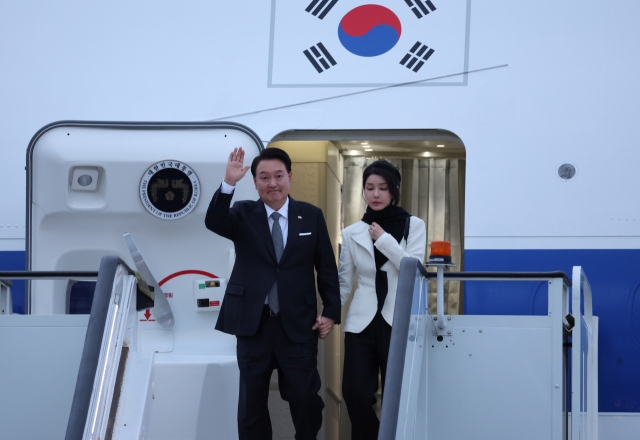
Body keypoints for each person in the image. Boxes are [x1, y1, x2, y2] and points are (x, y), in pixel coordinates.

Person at [204, 146, 340, 440]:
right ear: (254, 182)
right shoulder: (242, 213)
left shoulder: (311, 216)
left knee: (305, 397)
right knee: (252, 403)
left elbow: (326, 268)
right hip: (254, 324)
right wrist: (228, 183)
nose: (272, 183)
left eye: (278, 175)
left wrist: (330, 312)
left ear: (290, 176)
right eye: (264, 177)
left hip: (298, 324)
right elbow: (214, 222)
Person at [339, 160, 426, 440]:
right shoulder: (351, 232)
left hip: (396, 319)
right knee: (355, 394)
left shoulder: (414, 225)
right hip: (360, 322)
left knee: (396, 395)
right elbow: (344, 281)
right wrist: (329, 314)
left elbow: (414, 270)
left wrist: (385, 240)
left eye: (383, 188)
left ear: (395, 190)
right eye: (369, 188)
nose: (375, 194)